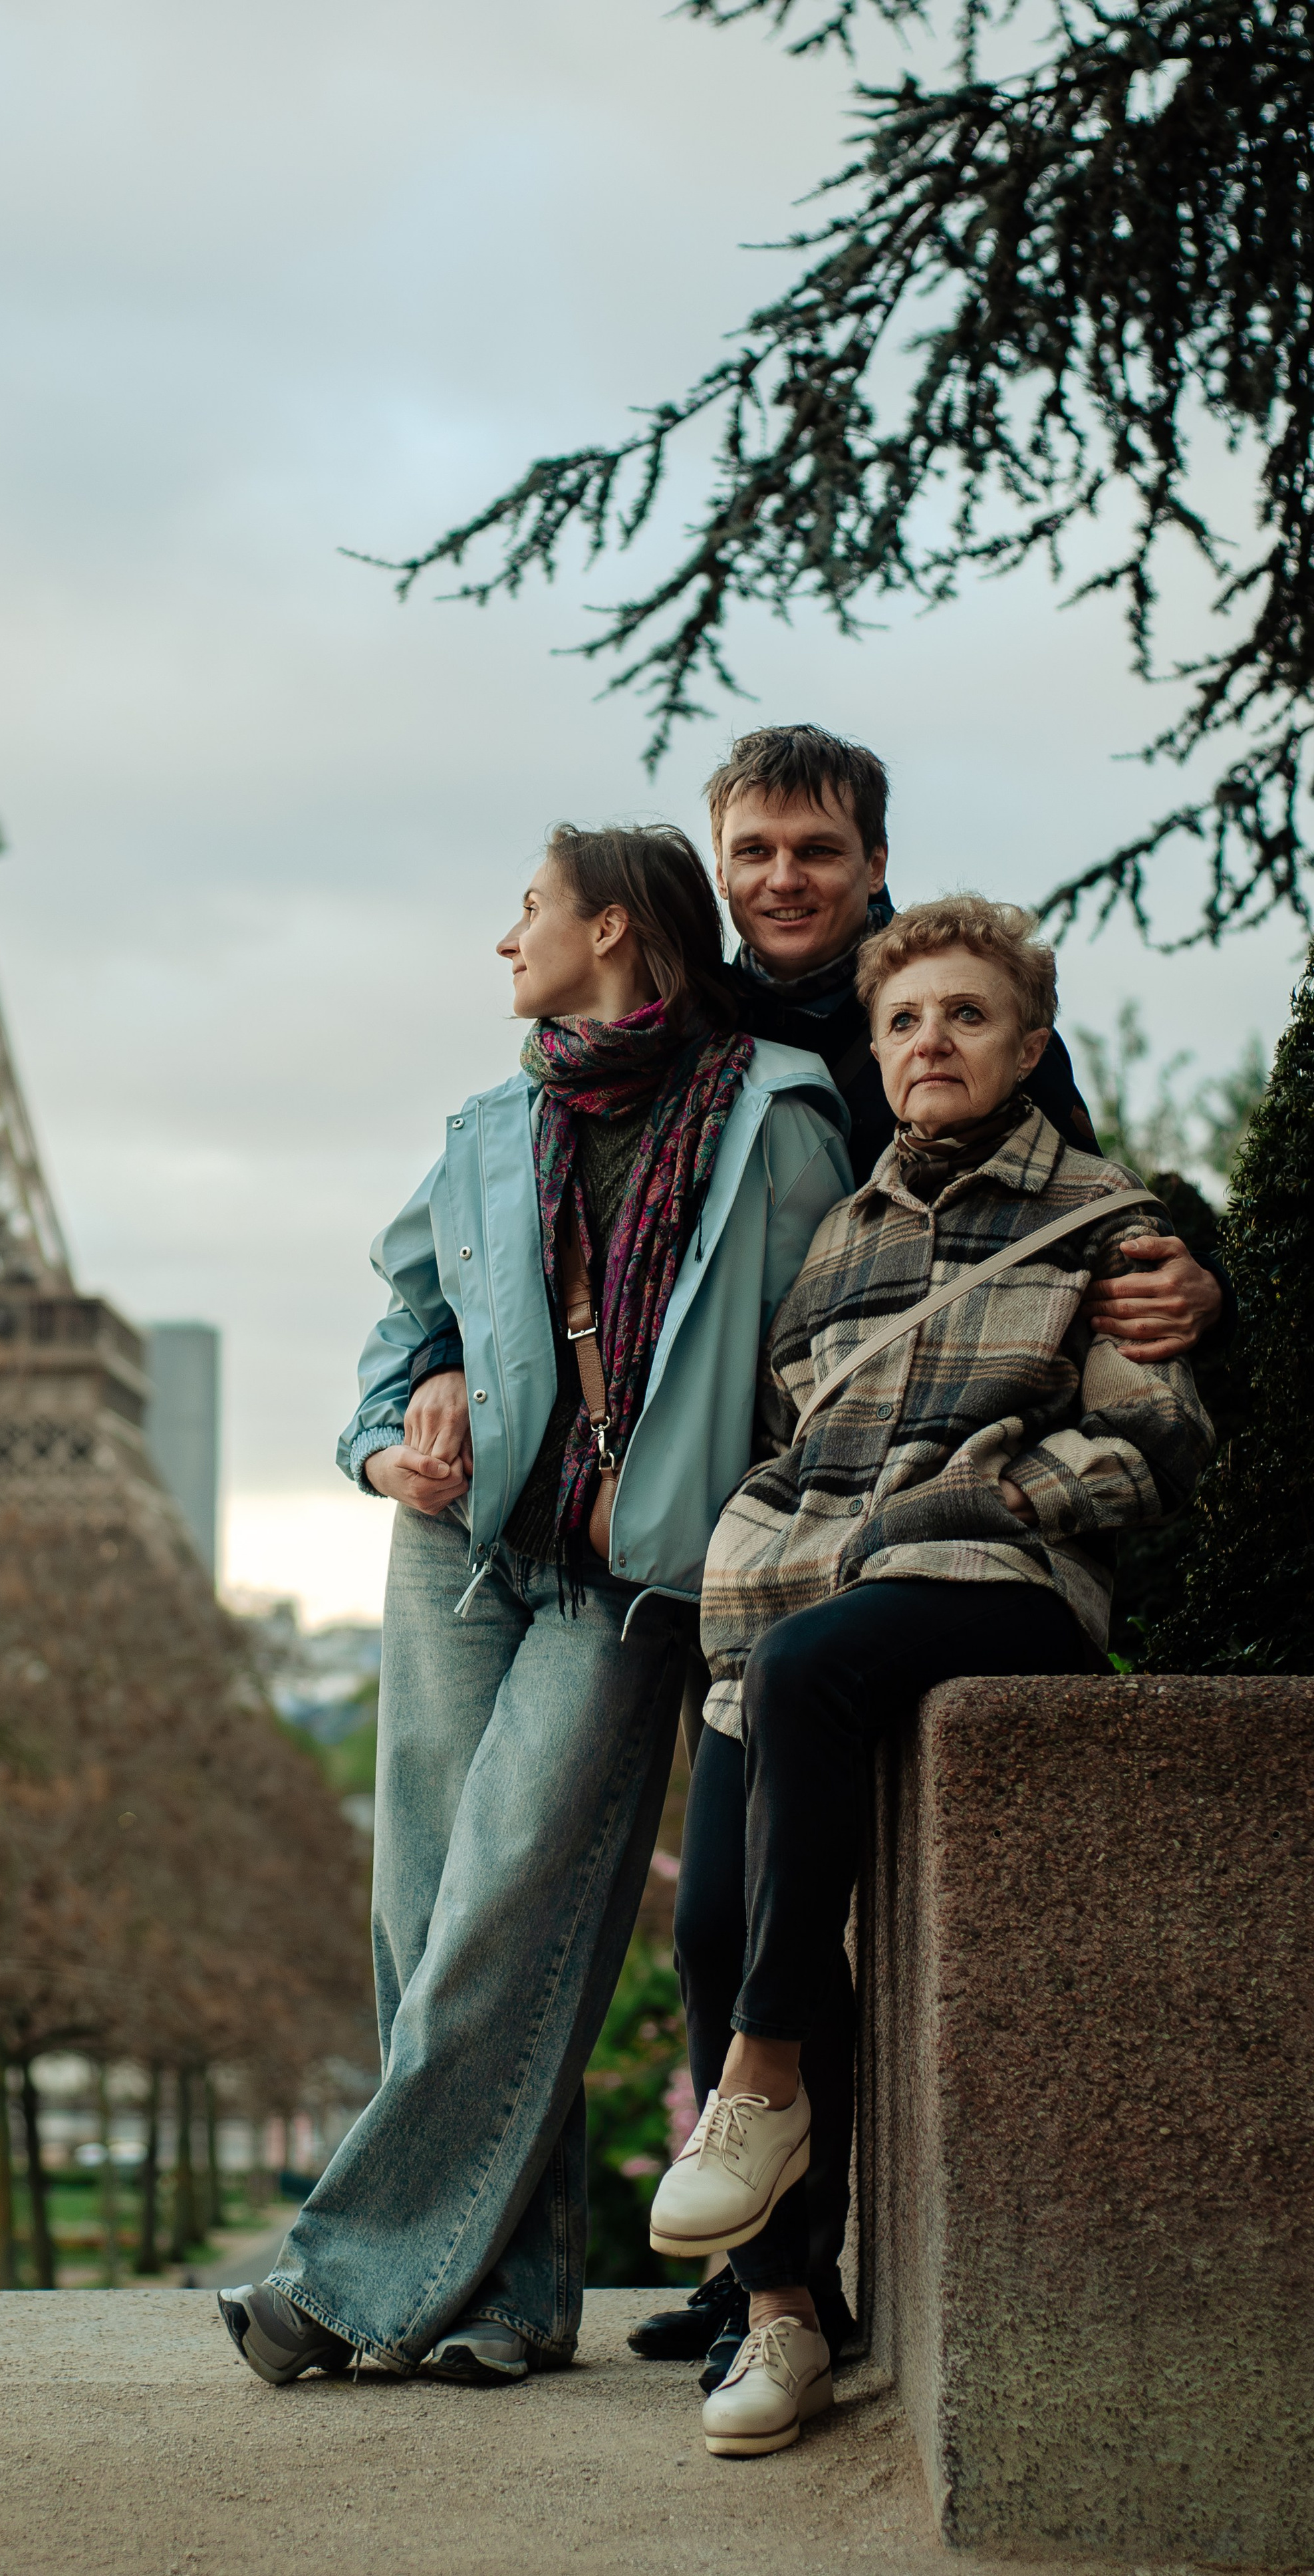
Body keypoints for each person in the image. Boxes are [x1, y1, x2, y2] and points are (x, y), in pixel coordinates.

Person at [416, 726, 1227, 2382]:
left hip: (934, 1550)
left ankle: (765, 2138)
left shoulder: (952, 1028)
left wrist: (1193, 1274)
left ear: (872, 870)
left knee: (776, 1788)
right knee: (705, 1919)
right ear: (718, 877)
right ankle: (772, 2288)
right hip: (739, 1541)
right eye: (755, 853)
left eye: (817, 851)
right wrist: (438, 1356)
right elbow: (536, 1218)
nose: (783, 880)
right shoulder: (704, 1041)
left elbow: (1100, 1230)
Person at [218, 823, 849, 2385]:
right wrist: (392, 1432)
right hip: (462, 1539)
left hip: (631, 1576)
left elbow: (811, 1360)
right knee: (428, 1912)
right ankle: (507, 2301)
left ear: (617, 929)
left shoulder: (774, 1119)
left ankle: (346, 2279)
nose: (506, 942)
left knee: (511, 1898)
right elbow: (406, 1321)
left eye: (529, 910)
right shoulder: (489, 1123)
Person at [653, 893, 1215, 2458]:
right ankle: (783, 2316)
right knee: (708, 1916)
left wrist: (988, 1504)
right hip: (789, 1603)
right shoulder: (837, 1232)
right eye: (903, 1019)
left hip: (992, 1584)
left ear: (1029, 1047)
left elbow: (1151, 1435)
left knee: (821, 1665)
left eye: (964, 1016)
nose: (928, 1042)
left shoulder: (1109, 1219)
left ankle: (760, 2085)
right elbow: (784, 1432)